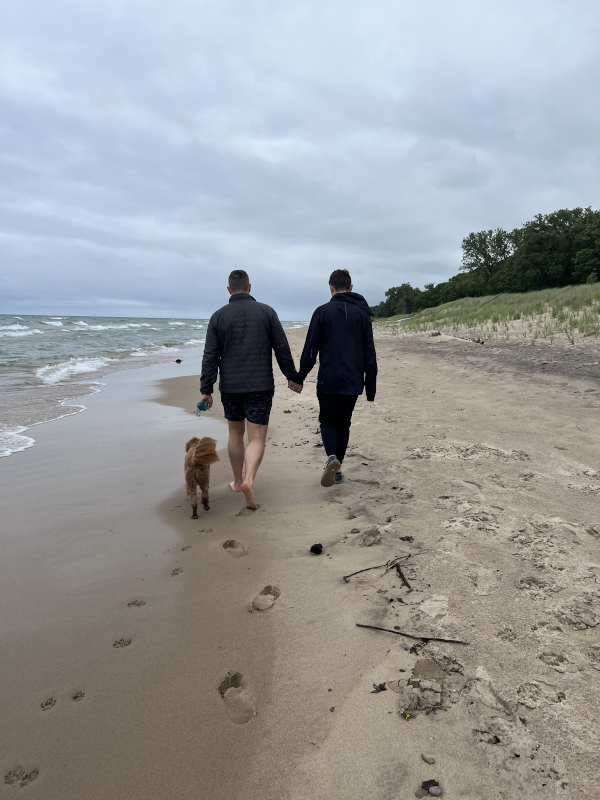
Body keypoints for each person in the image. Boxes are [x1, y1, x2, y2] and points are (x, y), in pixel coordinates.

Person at [200, 270, 302, 510]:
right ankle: (249, 480)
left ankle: (237, 481)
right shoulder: (267, 312)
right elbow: (282, 348)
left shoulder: (217, 316)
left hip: (231, 387)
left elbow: (210, 356)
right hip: (260, 385)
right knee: (256, 437)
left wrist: (206, 389)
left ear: (229, 290)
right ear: (249, 287)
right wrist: (292, 377)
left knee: (235, 433)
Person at [294, 269, 377, 487]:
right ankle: (337, 470)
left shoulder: (322, 312)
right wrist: (371, 387)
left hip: (328, 379)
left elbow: (311, 350)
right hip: (353, 381)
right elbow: (370, 353)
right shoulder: (362, 315)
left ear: (331, 288)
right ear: (350, 288)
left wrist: (299, 377)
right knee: (344, 423)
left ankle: (332, 457)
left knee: (328, 421)